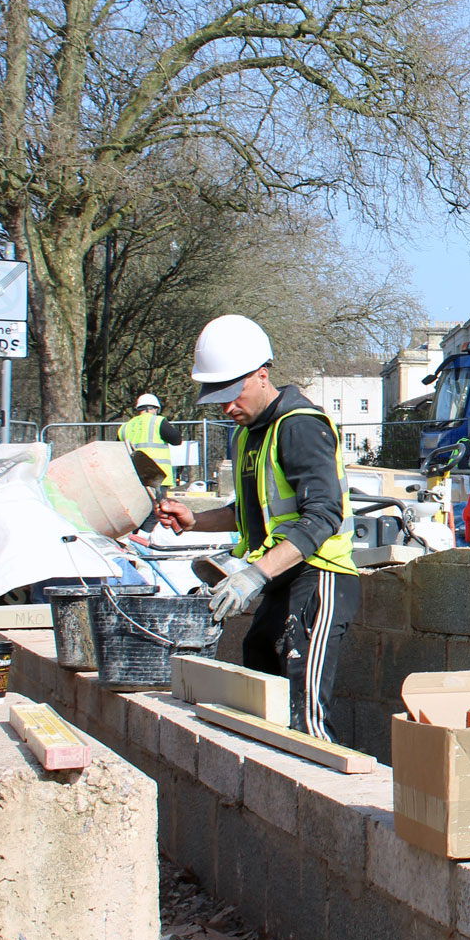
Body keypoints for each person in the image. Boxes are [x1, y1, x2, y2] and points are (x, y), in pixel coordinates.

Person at [154, 315, 359, 740]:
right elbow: (250, 512)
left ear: (261, 375)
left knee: (305, 709)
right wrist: (194, 520)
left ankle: (325, 787)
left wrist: (254, 573)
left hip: (319, 575)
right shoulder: (247, 434)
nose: (228, 408)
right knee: (260, 668)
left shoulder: (300, 425)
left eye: (233, 394)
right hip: (280, 575)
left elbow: (323, 516)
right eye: (218, 398)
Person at [119, 393, 183, 488]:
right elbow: (176, 440)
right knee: (159, 502)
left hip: (133, 477)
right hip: (157, 476)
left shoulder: (125, 427)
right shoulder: (157, 421)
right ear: (154, 409)